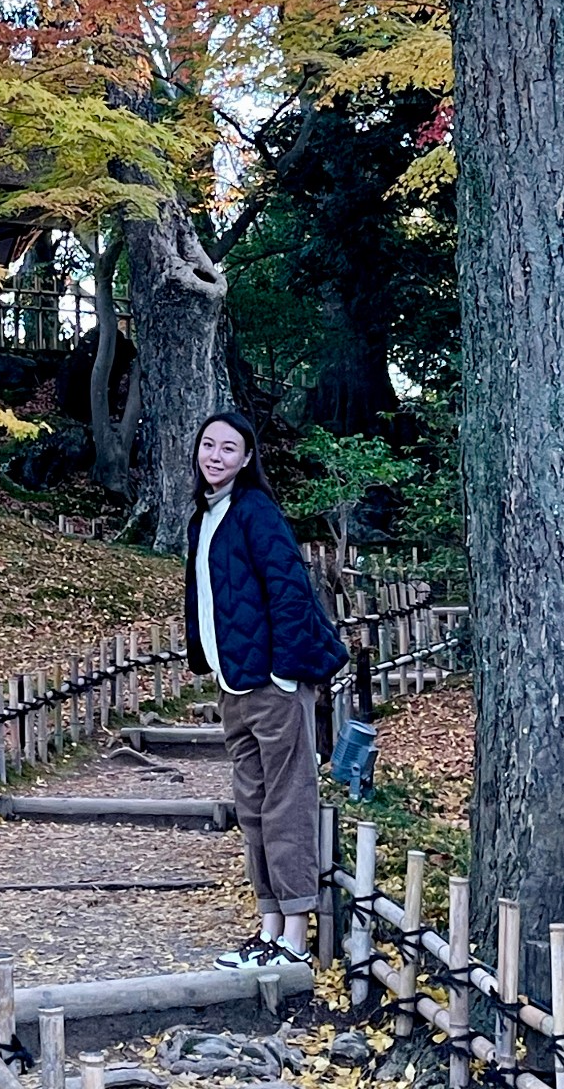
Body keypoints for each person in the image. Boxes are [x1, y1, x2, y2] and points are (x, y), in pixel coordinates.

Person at [184, 410, 347, 972]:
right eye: (208, 445)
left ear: (248, 459)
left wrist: (284, 673)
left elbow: (290, 590)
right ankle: (269, 928)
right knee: (252, 806)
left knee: (287, 804)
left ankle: (295, 937)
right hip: (236, 684)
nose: (216, 456)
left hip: (274, 685)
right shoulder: (205, 516)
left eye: (229, 449)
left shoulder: (256, 512)